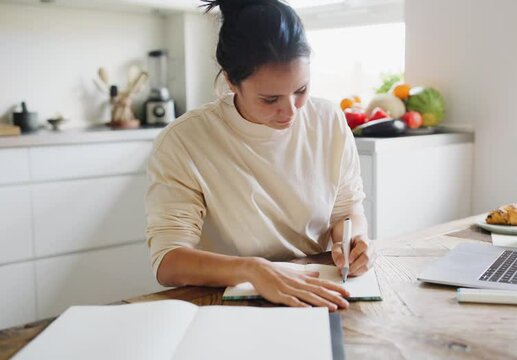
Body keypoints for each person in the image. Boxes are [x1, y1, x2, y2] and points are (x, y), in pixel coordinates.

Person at [145, 0, 372, 311]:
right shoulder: (184, 141)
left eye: (301, 89)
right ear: (230, 81)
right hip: (232, 304)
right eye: (270, 99)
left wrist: (353, 241)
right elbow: (168, 262)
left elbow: (346, 211)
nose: (291, 110)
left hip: (318, 295)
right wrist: (253, 269)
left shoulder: (329, 120)